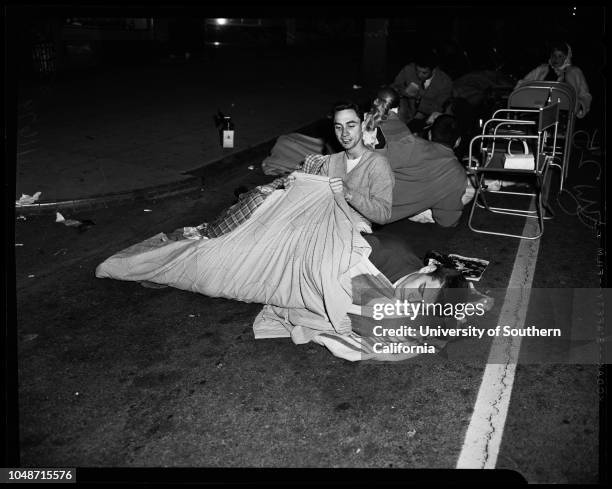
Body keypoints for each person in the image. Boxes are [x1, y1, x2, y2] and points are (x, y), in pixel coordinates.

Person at [303, 101, 395, 229]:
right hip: (324, 222)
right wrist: (298, 186)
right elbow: (315, 199)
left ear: (362, 126)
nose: (344, 133)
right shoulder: (331, 161)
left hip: (355, 230)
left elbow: (383, 215)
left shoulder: (377, 163)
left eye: (351, 126)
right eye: (338, 127)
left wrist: (349, 194)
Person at [384, 114, 472, 227]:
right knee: (470, 189)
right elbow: (447, 221)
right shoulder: (457, 174)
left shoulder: (408, 143)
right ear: (458, 141)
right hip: (378, 217)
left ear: (430, 134)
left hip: (360, 199)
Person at [516, 41, 592, 118]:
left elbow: (585, 95)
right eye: (554, 55)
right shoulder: (542, 69)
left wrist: (579, 106)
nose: (556, 59)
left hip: (563, 115)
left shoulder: (574, 72)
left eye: (560, 56)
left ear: (566, 57)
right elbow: (524, 83)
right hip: (539, 112)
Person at [391, 51, 453, 133]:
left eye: (424, 73)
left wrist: (419, 99)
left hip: (428, 119)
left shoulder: (445, 82)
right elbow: (395, 86)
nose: (419, 75)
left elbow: (440, 107)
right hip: (406, 111)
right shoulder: (409, 69)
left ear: (433, 70)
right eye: (417, 71)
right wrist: (403, 92)